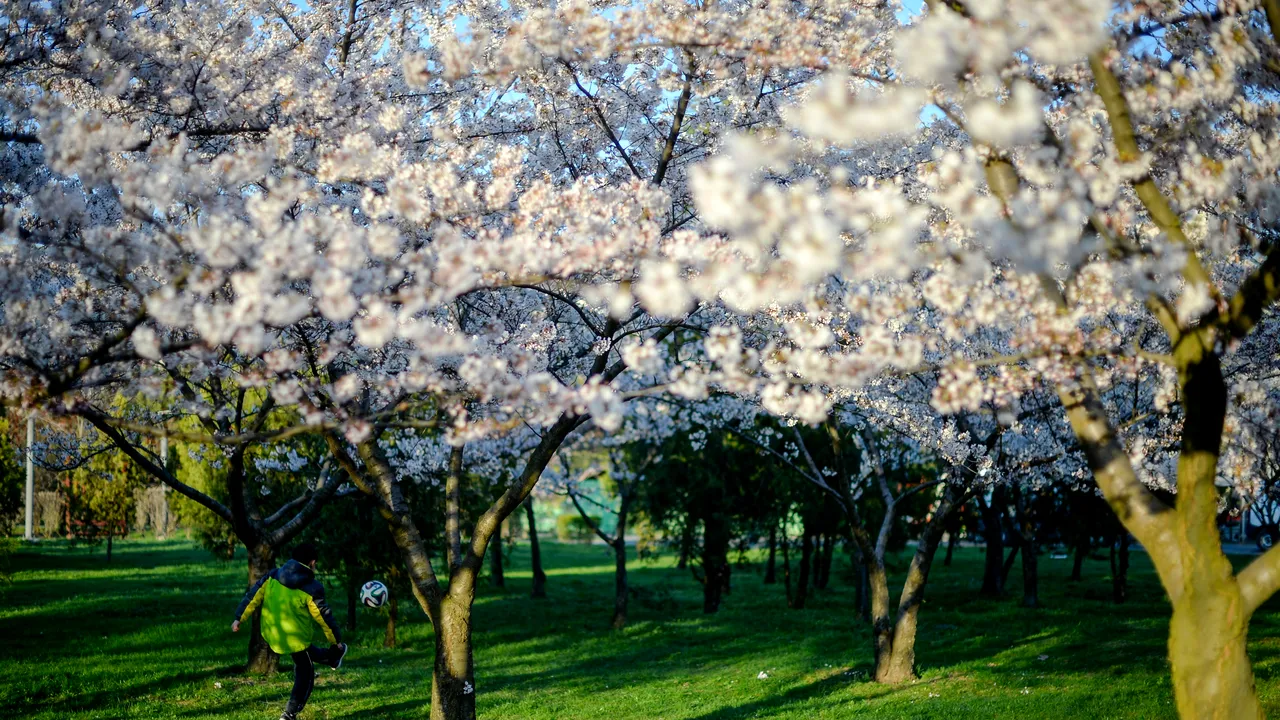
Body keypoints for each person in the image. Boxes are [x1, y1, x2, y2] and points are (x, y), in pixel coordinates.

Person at [232, 541, 348, 720]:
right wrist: (336, 641)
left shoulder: (273, 575)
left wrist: (239, 617)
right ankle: (289, 714)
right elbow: (324, 618)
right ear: (312, 563)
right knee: (306, 673)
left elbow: (253, 596)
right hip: (296, 640)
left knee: (307, 653)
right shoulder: (312, 588)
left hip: (272, 635)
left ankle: (333, 657)